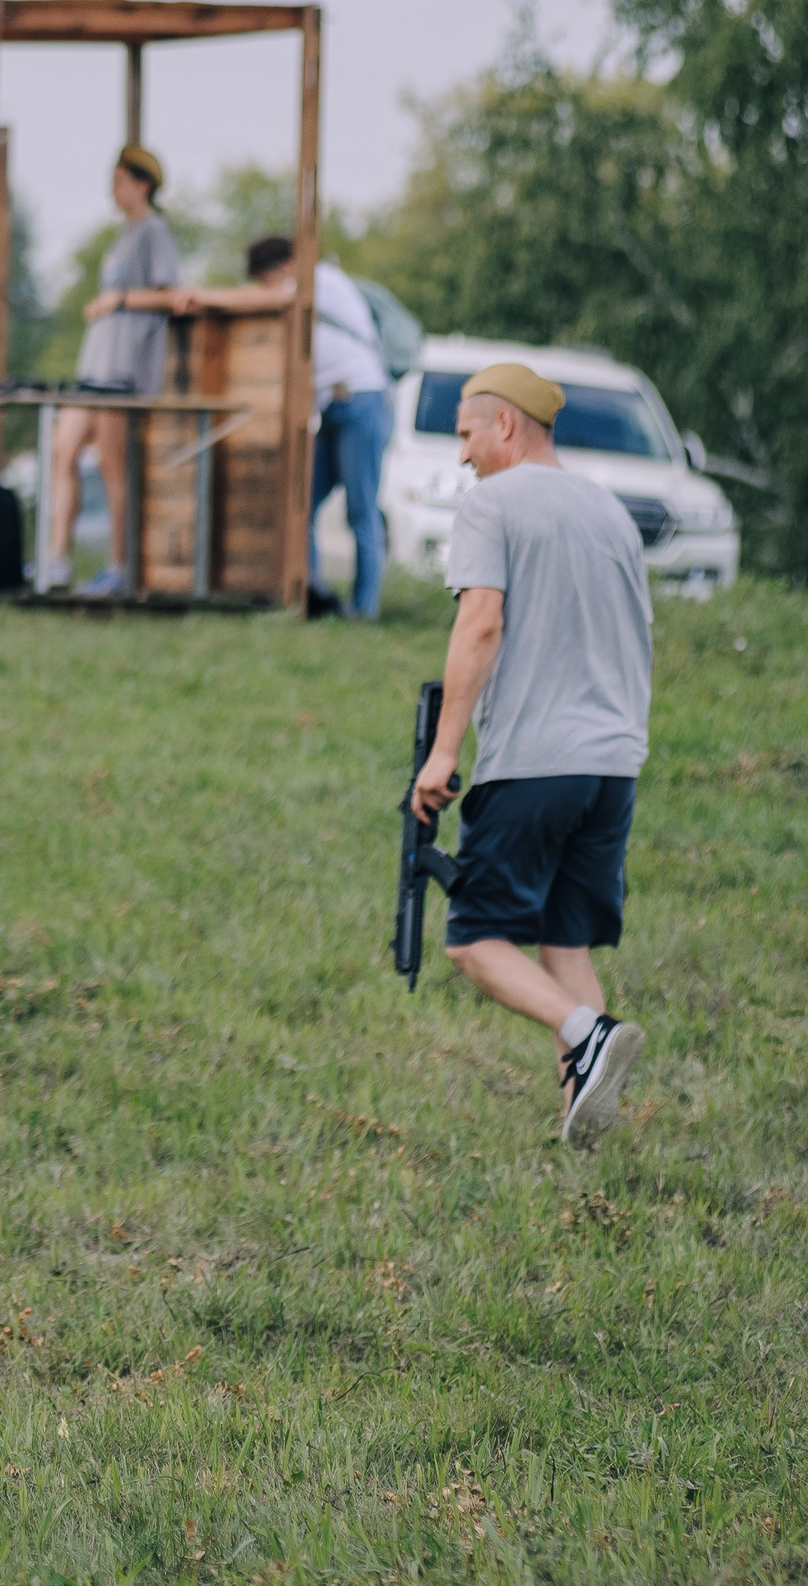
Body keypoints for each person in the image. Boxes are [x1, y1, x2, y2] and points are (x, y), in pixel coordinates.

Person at [410, 364, 651, 1148]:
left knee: (474, 938)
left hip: (535, 757)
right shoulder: (609, 511)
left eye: (467, 434)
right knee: (565, 935)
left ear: (504, 426)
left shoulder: (495, 502)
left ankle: (587, 1028)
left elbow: (480, 623)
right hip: (613, 760)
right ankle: (582, 1120)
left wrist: (444, 752)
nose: (463, 455)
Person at [174, 235, 390, 617]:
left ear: (285, 267)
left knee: (360, 509)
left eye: (265, 279)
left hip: (361, 400)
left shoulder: (318, 279)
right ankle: (313, 596)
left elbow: (272, 298)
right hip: (335, 406)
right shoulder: (312, 282)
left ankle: (364, 609)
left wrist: (204, 297)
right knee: (300, 504)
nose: (264, 288)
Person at [42, 145, 182, 596]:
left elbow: (169, 295)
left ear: (142, 185)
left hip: (124, 371)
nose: (112, 190)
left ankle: (120, 567)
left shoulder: (154, 233)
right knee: (62, 451)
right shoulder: (122, 236)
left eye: (120, 181)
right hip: (94, 367)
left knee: (112, 466)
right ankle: (57, 560)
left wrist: (117, 302)